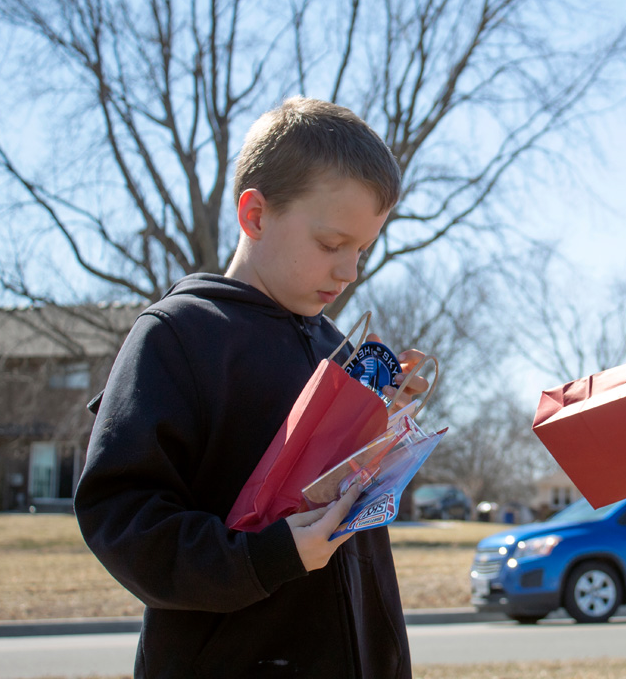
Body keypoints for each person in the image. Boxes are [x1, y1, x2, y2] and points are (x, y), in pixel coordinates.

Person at [75, 97, 425, 678]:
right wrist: (266, 557)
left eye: (362, 249)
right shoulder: (180, 336)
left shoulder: (337, 349)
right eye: (331, 244)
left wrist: (384, 432)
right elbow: (123, 519)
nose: (349, 271)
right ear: (256, 215)